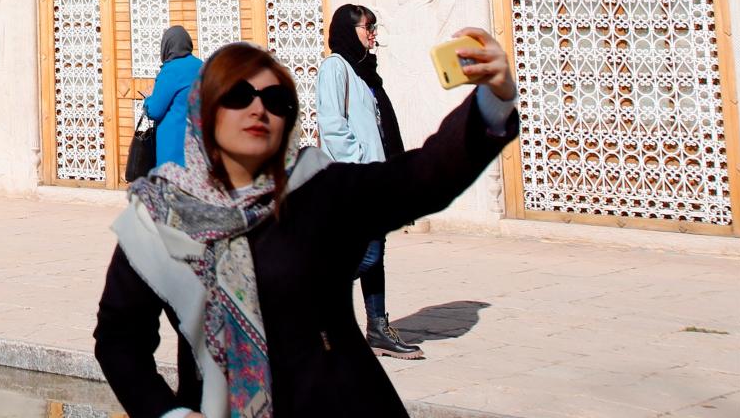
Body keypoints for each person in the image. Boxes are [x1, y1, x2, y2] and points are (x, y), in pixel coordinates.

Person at [94, 32, 518, 417]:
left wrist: (494, 98)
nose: (259, 108)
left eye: (277, 101)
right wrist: (168, 414)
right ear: (204, 110)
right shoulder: (158, 217)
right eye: (239, 95)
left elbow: (423, 177)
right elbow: (118, 339)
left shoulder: (319, 190)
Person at [318, 3, 420, 359]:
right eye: (367, 27)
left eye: (374, 27)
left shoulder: (365, 71)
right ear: (349, 31)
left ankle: (377, 327)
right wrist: (360, 164)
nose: (373, 34)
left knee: (376, 253)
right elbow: (332, 126)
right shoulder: (336, 67)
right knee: (367, 251)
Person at [144, 26, 202, 170]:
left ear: (166, 46)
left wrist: (147, 100)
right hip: (199, 144)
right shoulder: (202, 66)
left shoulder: (171, 71)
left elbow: (155, 110)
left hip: (174, 146)